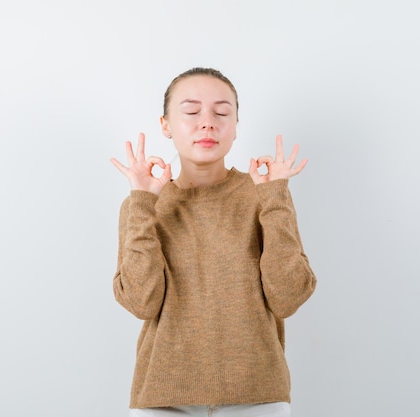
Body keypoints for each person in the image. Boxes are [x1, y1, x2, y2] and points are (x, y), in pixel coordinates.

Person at [109, 67, 317, 417]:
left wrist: (275, 197)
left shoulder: (264, 195)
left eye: (222, 113)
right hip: (163, 397)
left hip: (257, 394)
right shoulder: (141, 204)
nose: (207, 123)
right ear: (165, 125)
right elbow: (141, 302)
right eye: (191, 112)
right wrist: (144, 203)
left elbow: (288, 296)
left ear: (235, 126)